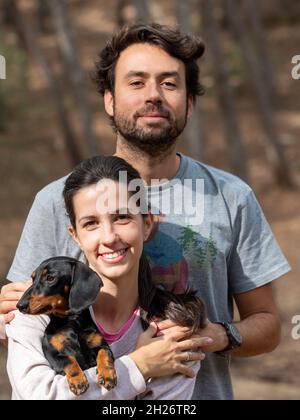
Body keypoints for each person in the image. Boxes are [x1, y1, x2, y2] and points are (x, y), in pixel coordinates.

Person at [0, 23, 291, 400]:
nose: (153, 95)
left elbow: (267, 326)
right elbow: (26, 327)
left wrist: (215, 335)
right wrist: (9, 316)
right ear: (109, 99)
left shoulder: (231, 196)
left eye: (169, 83)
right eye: (136, 83)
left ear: (189, 102)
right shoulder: (57, 200)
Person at [5, 155, 207, 400]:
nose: (109, 237)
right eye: (91, 223)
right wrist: (139, 366)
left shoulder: (170, 332)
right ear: (75, 235)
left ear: (146, 224)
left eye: (122, 217)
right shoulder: (36, 313)